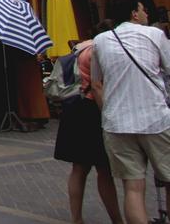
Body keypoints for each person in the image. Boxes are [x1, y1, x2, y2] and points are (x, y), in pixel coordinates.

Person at [92, 0, 170, 224]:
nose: (147, 14)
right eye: (143, 10)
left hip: (117, 123)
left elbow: (97, 84)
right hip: (156, 118)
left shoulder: (100, 41)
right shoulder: (155, 34)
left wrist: (108, 112)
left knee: (133, 188)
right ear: (134, 13)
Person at [53, 21, 123, 224]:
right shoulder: (97, 51)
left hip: (74, 109)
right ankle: (117, 219)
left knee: (79, 168)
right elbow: (97, 84)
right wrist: (107, 115)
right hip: (91, 110)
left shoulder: (80, 47)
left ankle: (77, 218)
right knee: (104, 169)